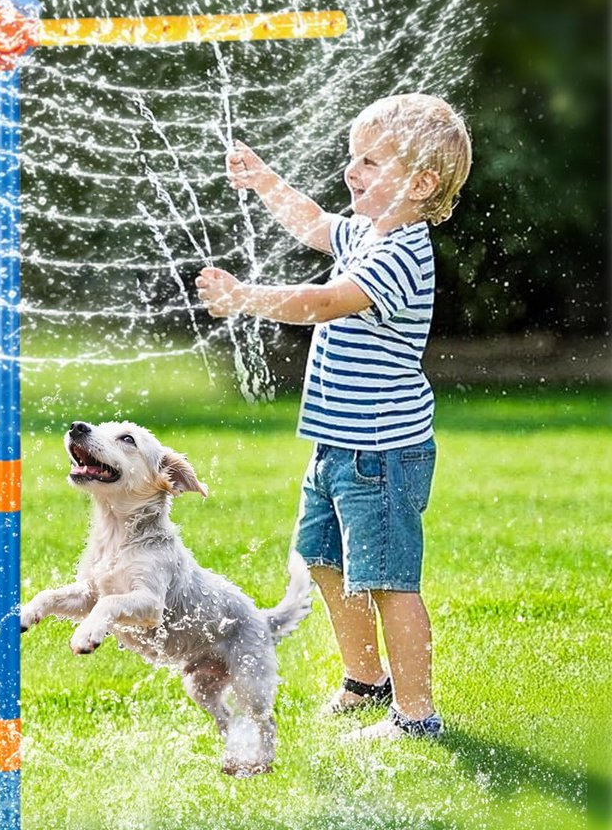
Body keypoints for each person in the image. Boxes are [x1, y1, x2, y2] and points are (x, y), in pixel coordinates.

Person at [195, 93, 472, 740]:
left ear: (420, 183)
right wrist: (265, 180)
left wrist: (245, 298)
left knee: (389, 582)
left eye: (371, 161)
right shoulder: (367, 233)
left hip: (378, 453)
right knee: (322, 560)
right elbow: (314, 224)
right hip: (335, 445)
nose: (353, 171)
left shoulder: (402, 254)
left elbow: (326, 301)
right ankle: (365, 679)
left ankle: (416, 715)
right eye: (354, 157)